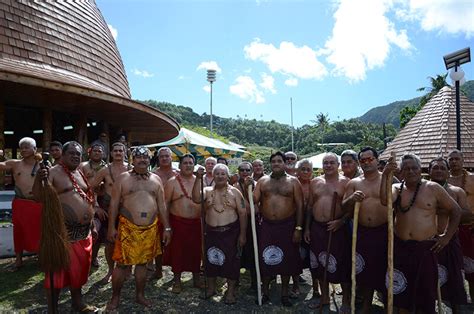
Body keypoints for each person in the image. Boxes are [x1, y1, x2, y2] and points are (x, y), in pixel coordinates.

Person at [381, 153, 461, 314]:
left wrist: (446, 237)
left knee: (425, 294)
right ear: (401, 172)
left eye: (414, 168)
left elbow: (456, 210)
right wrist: (385, 175)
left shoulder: (433, 188)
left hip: (425, 249)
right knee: (402, 294)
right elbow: (385, 201)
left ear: (420, 170)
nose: (410, 171)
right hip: (401, 248)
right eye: (406, 169)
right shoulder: (396, 188)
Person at [33, 141, 98, 312]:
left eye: (78, 154)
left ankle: (77, 302)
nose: (76, 156)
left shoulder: (80, 172)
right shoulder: (52, 172)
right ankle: (52, 309)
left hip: (84, 233)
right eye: (72, 153)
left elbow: (87, 198)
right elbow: (39, 197)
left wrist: (91, 223)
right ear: (63, 154)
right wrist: (40, 178)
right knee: (57, 272)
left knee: (80, 271)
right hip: (62, 232)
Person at [106, 146, 171, 310]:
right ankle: (115, 297)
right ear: (132, 160)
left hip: (150, 228)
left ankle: (140, 295)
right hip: (127, 227)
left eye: (146, 158)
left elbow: (162, 205)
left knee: (142, 264)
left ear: (150, 160)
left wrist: (167, 228)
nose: (143, 160)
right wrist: (111, 228)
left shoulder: (156, 179)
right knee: (121, 265)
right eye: (138, 158)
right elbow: (113, 204)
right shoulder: (123, 178)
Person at [249, 151, 303, 307]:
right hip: (267, 226)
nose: (276, 163)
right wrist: (248, 187)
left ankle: (284, 294)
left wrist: (298, 228)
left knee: (287, 261)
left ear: (285, 163)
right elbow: (254, 200)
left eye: (280, 161)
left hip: (287, 225)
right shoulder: (262, 182)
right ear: (270, 164)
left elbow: (300, 206)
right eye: (274, 161)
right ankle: (265, 292)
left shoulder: (293, 182)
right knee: (266, 259)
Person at [342, 147, 389, 313]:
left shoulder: (389, 179)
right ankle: (366, 305)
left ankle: (387, 304)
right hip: (361, 233)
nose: (367, 163)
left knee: (385, 268)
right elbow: (343, 208)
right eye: (363, 160)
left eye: (370, 159)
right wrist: (351, 199)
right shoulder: (354, 183)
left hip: (385, 232)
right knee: (364, 270)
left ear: (377, 160)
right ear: (359, 163)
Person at [193, 163, 247, 304]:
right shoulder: (206, 190)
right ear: (213, 175)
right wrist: (198, 178)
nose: (220, 176)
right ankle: (211, 289)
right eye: (217, 173)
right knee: (211, 260)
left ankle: (230, 292)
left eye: (223, 173)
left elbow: (242, 213)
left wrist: (242, 235)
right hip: (211, 232)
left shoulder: (235, 192)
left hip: (231, 233)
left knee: (232, 263)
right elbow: (196, 199)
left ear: (227, 176)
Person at [304, 153, 351, 311]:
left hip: (337, 229)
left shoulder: (347, 183)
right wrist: (307, 228)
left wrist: (341, 221)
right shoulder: (315, 182)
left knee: (342, 264)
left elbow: (352, 208)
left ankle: (345, 300)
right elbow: (310, 206)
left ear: (338, 164)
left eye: (332, 163)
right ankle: (324, 298)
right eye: (325, 163)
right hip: (317, 228)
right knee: (318, 264)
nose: (328, 165)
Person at [429, 157, 471, 311]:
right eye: (435, 168)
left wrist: (448, 209)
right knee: (428, 283)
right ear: (430, 171)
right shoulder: (421, 190)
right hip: (427, 242)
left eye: (442, 168)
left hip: (450, 241)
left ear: (448, 172)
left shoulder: (456, 191)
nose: (439, 170)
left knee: (454, 283)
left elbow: (467, 214)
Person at [90, 142, 131, 284]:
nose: (118, 153)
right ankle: (110, 270)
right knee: (110, 242)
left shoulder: (131, 169)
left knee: (128, 241)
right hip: (108, 210)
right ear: (112, 153)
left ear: (124, 153)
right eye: (116, 151)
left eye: (121, 150)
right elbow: (91, 188)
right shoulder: (105, 170)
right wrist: (96, 206)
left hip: (127, 210)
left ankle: (127, 268)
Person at [162, 154, 203, 293]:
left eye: (191, 163)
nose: (188, 165)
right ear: (179, 166)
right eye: (185, 163)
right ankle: (177, 281)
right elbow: (165, 205)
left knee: (196, 251)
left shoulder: (199, 181)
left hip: (196, 223)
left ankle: (197, 278)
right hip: (178, 222)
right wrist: (167, 226)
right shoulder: (172, 182)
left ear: (194, 165)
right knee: (177, 252)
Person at [0, 137, 42, 271]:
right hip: (20, 202)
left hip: (37, 202)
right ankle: (19, 260)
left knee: (40, 231)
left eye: (27, 147)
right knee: (19, 231)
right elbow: (1, 166)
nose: (23, 149)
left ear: (35, 149)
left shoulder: (43, 164)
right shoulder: (15, 164)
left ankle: (41, 257)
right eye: (21, 147)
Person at [447, 149, 474, 302]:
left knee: (472, 270)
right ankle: (456, 301)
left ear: (463, 160)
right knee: (452, 268)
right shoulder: (443, 181)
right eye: (451, 159)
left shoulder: (472, 179)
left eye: (457, 159)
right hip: (449, 230)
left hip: (470, 228)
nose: (454, 162)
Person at [151, 147, 178, 280]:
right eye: (161, 156)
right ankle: (158, 269)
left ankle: (176, 271)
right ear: (158, 158)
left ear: (171, 157)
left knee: (176, 243)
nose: (164, 158)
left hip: (175, 212)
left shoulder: (178, 174)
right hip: (157, 213)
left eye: (167, 156)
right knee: (158, 242)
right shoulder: (153, 175)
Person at [296, 159, 320, 299]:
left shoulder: (316, 184)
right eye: (302, 169)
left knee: (314, 255)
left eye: (308, 169)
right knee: (296, 254)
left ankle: (316, 288)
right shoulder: (293, 183)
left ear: (312, 171)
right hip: (295, 222)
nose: (305, 172)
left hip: (312, 223)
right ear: (298, 170)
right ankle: (295, 285)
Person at [233, 161, 257, 291]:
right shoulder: (234, 187)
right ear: (238, 172)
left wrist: (250, 189)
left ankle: (254, 282)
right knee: (237, 251)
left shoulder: (257, 185)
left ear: (251, 172)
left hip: (254, 223)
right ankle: (235, 280)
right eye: (242, 170)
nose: (245, 172)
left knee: (253, 252)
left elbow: (256, 206)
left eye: (247, 170)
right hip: (239, 223)